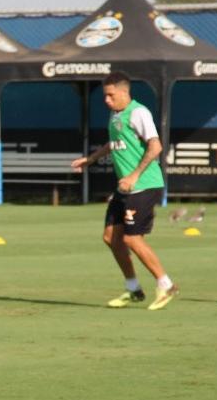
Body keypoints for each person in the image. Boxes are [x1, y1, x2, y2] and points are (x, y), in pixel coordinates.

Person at [72, 71, 179, 310]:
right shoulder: (116, 114)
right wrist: (90, 159)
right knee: (111, 237)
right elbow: (116, 143)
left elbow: (156, 146)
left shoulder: (139, 112)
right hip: (126, 188)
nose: (106, 100)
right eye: (105, 96)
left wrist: (134, 175)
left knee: (131, 238)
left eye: (110, 95)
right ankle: (133, 289)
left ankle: (166, 284)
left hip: (143, 185)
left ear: (124, 92)